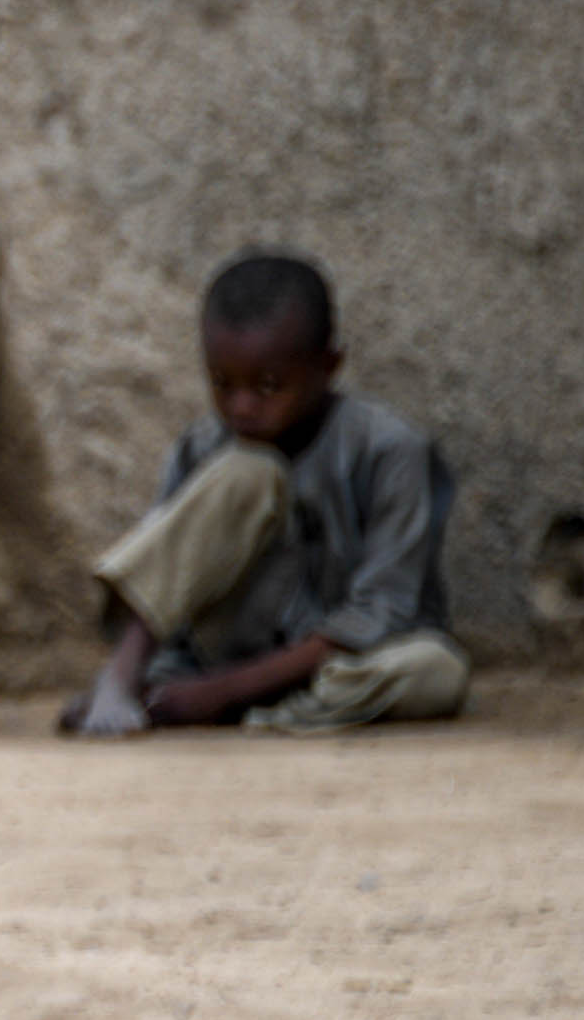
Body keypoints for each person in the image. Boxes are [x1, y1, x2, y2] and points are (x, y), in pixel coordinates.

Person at [66, 255, 470, 737]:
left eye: (269, 386)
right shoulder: (203, 448)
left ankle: (236, 711)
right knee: (246, 470)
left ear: (330, 365)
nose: (242, 407)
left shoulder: (391, 451)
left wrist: (222, 692)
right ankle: (122, 679)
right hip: (223, 655)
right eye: (222, 384)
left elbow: (384, 610)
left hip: (336, 666)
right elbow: (172, 591)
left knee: (438, 669)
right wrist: (148, 670)